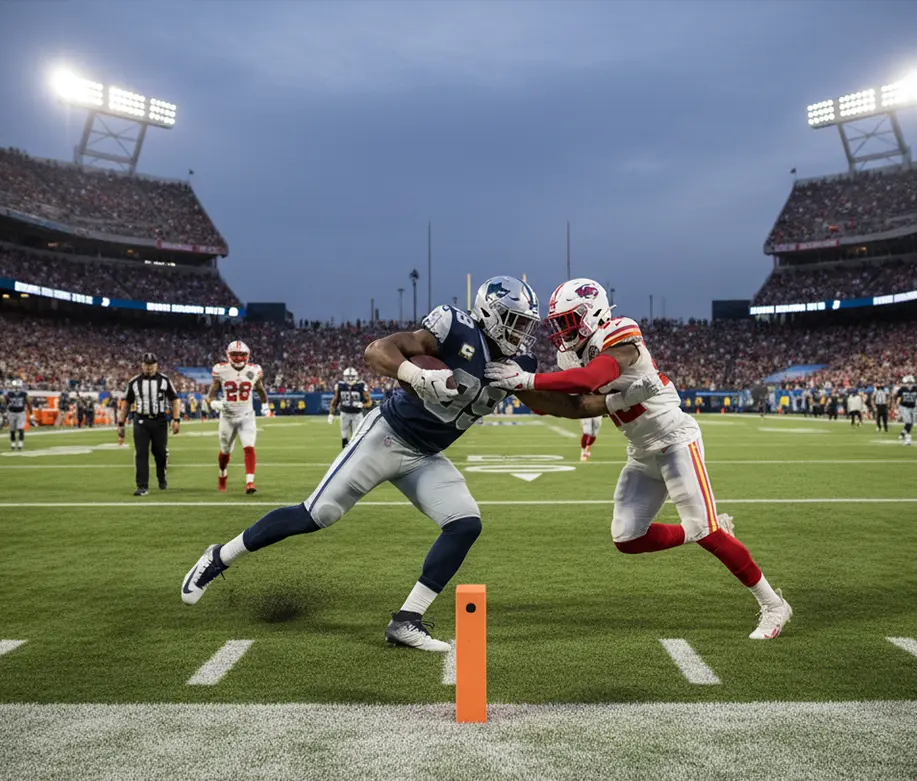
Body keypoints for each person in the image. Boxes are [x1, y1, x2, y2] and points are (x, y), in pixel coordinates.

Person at [180, 276, 659, 652]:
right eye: (513, 321)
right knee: (317, 515)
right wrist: (414, 374)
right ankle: (219, 558)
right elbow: (378, 351)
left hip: (426, 456)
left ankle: (406, 620)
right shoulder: (455, 327)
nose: (520, 333)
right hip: (387, 437)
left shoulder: (512, 366)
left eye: (524, 324)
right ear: (489, 314)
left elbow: (568, 407)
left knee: (465, 523)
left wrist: (620, 399)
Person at [488, 277, 792, 639]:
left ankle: (774, 605)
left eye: (569, 321)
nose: (562, 332)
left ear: (592, 313)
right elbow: (580, 405)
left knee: (707, 533)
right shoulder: (568, 354)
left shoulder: (620, 332)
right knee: (627, 537)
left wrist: (530, 380)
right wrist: (519, 388)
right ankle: (701, 530)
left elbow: (592, 378)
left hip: (676, 441)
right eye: (559, 324)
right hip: (641, 451)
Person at [207, 340, 268, 494]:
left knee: (249, 447)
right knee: (225, 451)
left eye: (242, 355)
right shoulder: (221, 370)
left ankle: (250, 483)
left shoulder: (254, 370)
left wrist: (265, 404)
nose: (239, 358)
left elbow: (260, 388)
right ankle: (222, 474)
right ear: (229, 355)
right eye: (235, 354)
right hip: (227, 416)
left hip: (247, 416)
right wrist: (214, 403)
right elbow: (211, 395)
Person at [118, 353, 181, 496]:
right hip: (141, 421)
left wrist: (176, 419)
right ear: (142, 365)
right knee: (141, 453)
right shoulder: (134, 382)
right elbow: (126, 403)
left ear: (156, 365)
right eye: (146, 364)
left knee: (160, 452)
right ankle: (142, 486)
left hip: (159, 421)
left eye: (152, 364)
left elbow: (174, 400)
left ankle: (161, 475)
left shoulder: (165, 380)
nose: (149, 367)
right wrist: (121, 423)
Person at [328, 366, 371, 449]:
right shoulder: (340, 386)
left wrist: (362, 405)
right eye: (348, 377)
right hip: (344, 413)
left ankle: (355, 454)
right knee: (344, 435)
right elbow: (335, 401)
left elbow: (369, 402)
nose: (350, 379)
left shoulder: (361, 386)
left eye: (352, 377)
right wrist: (331, 413)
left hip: (357, 414)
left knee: (356, 436)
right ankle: (344, 454)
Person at [4, 379, 32, 450]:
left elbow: (28, 403)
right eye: (15, 387)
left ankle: (20, 443)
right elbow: (6, 403)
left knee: (20, 428)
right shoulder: (9, 394)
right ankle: (13, 443)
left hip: (21, 412)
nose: (16, 388)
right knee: (12, 429)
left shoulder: (24, 394)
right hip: (12, 412)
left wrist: (31, 413)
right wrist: (5, 411)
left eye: (18, 386)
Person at [894, 375, 917, 446]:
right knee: (908, 422)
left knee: (911, 423)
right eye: (908, 382)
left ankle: (903, 432)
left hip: (913, 407)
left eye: (910, 382)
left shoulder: (916, 389)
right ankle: (908, 438)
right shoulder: (902, 389)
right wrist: (897, 407)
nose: (909, 384)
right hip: (904, 406)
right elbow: (898, 398)